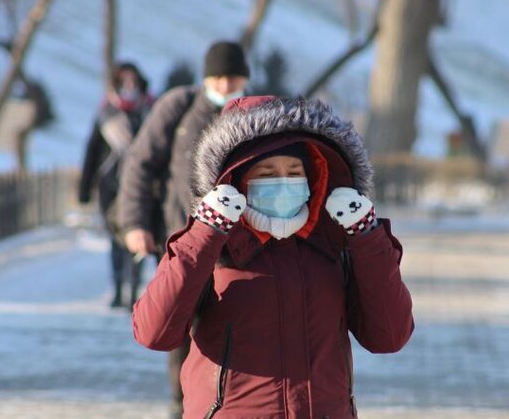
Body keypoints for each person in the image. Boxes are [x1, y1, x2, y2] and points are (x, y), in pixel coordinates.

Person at [132, 96, 414, 418]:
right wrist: (205, 232)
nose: (283, 183)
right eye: (266, 174)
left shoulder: (335, 247)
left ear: (314, 179)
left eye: (294, 172)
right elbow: (154, 332)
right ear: (236, 182)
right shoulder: (211, 247)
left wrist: (368, 236)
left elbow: (390, 335)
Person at [117, 40, 250, 417]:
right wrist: (134, 224)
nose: (225, 85)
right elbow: (140, 165)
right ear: (206, 76)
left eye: (233, 77)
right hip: (182, 240)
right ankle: (183, 406)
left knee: (231, 325)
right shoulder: (180, 108)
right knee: (179, 325)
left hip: (241, 247)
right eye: (219, 77)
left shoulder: (256, 112)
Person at [78, 61, 154, 309]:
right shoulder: (106, 115)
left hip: (142, 185)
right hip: (110, 186)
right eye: (124, 82)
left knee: (139, 235)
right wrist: (85, 188)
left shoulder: (151, 111)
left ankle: (133, 289)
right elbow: (92, 152)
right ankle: (117, 288)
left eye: (133, 81)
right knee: (115, 240)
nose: (129, 86)